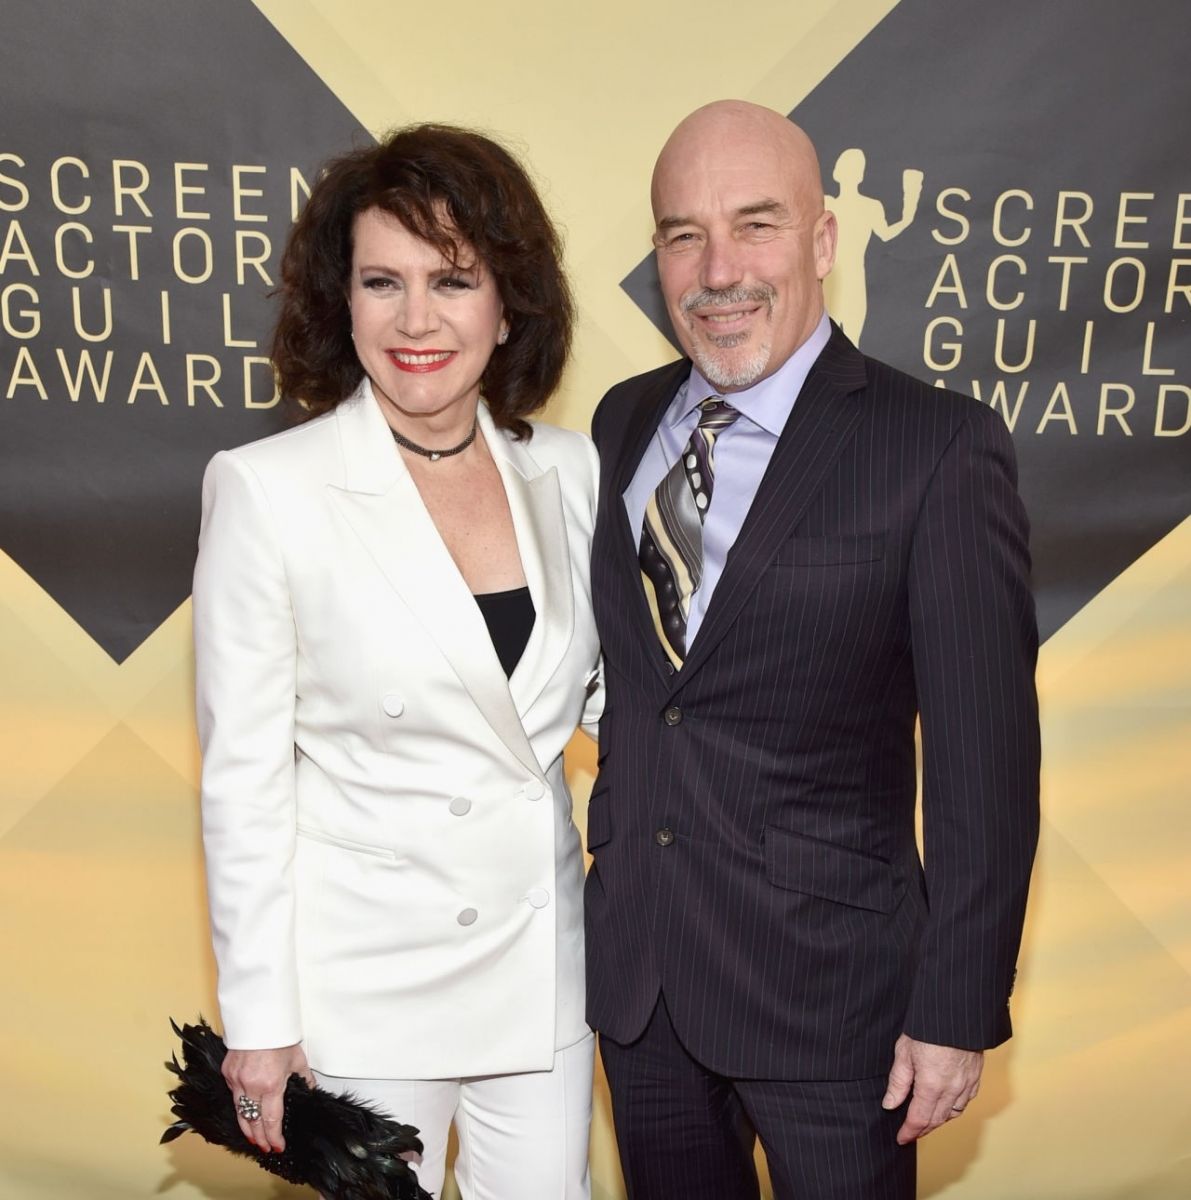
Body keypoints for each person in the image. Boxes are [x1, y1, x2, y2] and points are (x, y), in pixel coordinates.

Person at [584, 100, 1040, 1199]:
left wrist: (955, 1009)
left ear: (825, 241)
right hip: (642, 993)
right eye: (683, 233)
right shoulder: (617, 425)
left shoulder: (935, 446)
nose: (718, 268)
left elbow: (986, 765)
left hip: (844, 1014)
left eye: (757, 225)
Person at [193, 124, 601, 1199]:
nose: (417, 320)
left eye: (452, 280)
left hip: (541, 976)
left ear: (507, 304)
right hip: (362, 993)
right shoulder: (267, 488)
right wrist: (262, 1024)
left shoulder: (569, 471)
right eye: (383, 281)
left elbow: (605, 693)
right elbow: (243, 780)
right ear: (343, 303)